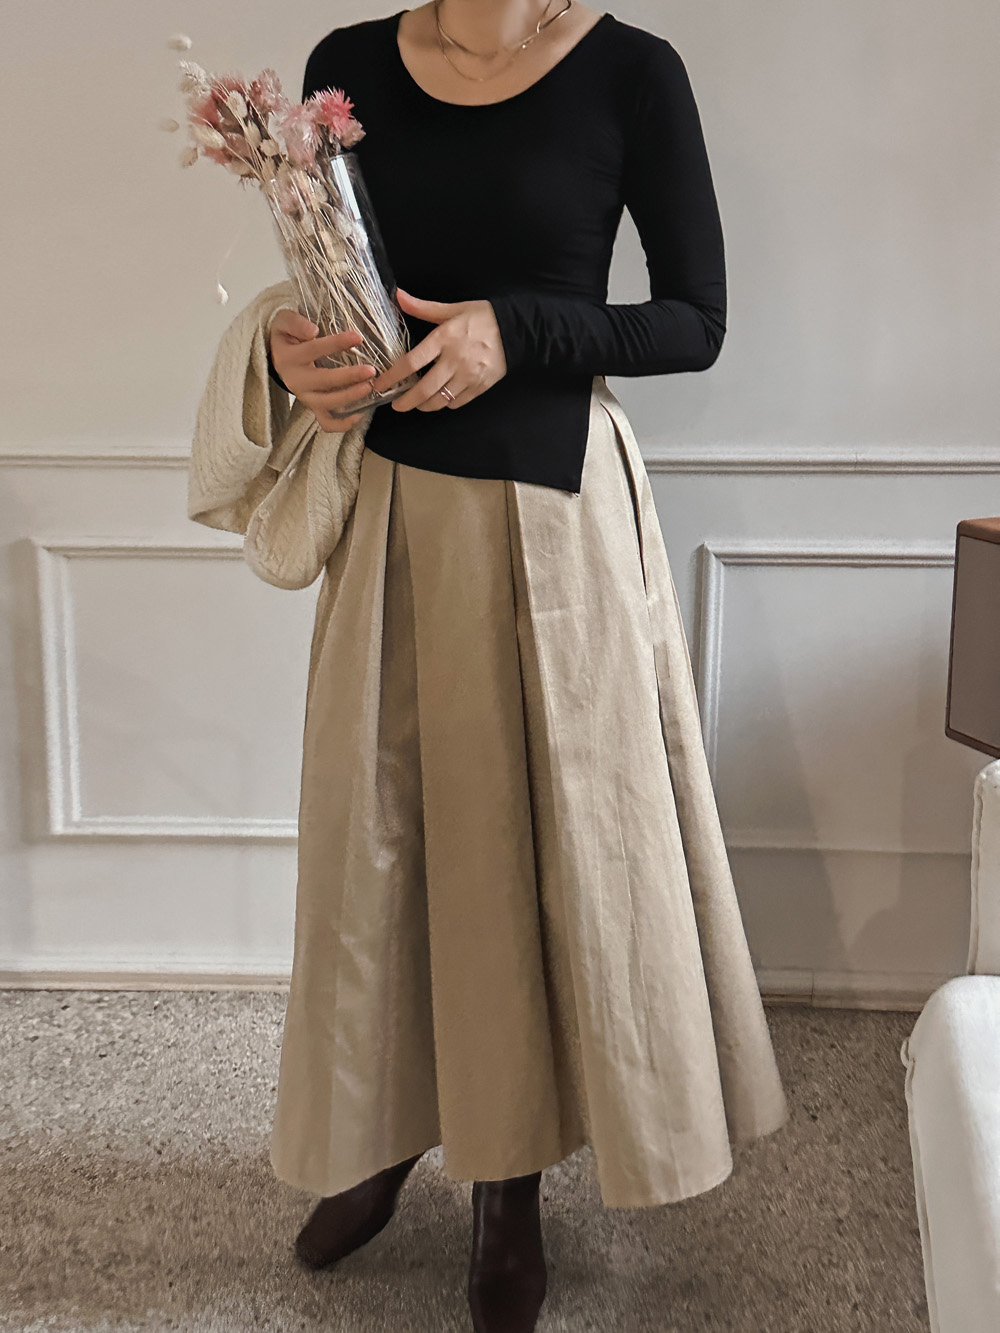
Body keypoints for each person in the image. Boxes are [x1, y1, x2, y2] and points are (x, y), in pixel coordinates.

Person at [264, 3, 788, 1330]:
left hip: (556, 524)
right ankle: (378, 1133)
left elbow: (695, 320)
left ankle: (510, 1185)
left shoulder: (631, 72)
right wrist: (289, 346)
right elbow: (335, 281)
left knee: (542, 850)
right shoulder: (346, 67)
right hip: (391, 515)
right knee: (379, 846)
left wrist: (517, 329)